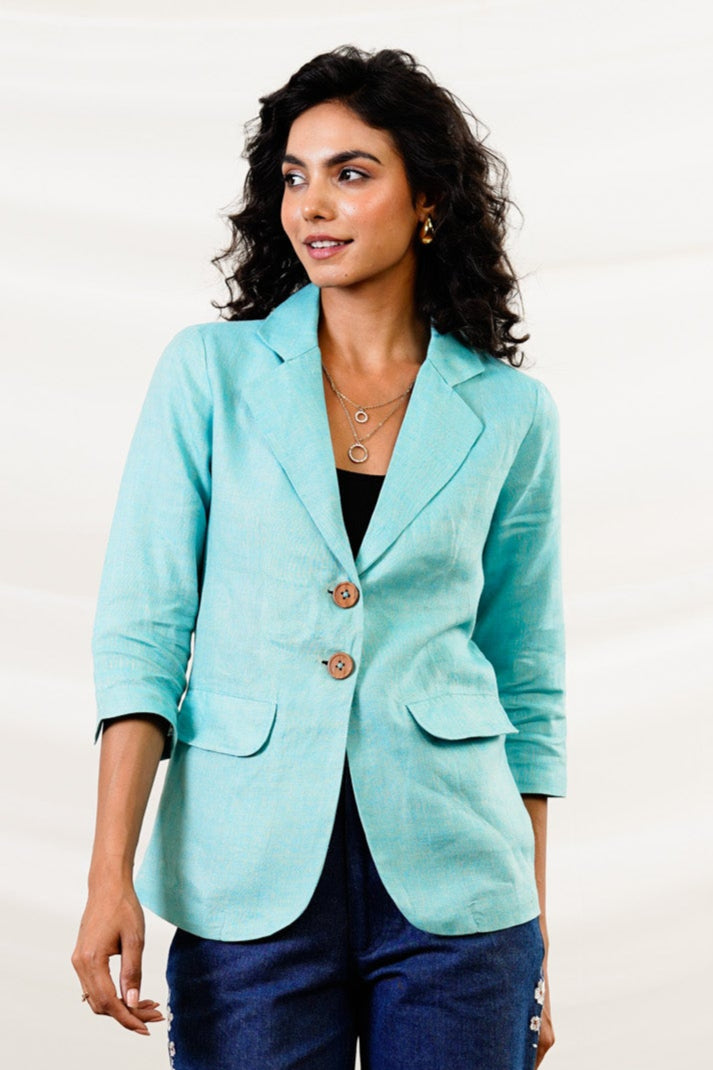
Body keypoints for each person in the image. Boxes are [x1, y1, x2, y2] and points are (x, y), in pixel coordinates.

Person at [72, 45, 566, 1070]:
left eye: (351, 172)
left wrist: (535, 933)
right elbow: (145, 636)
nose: (314, 205)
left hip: (460, 889)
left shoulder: (510, 411)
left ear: (427, 199)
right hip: (244, 876)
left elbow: (525, 676)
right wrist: (107, 873)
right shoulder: (210, 374)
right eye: (294, 177)